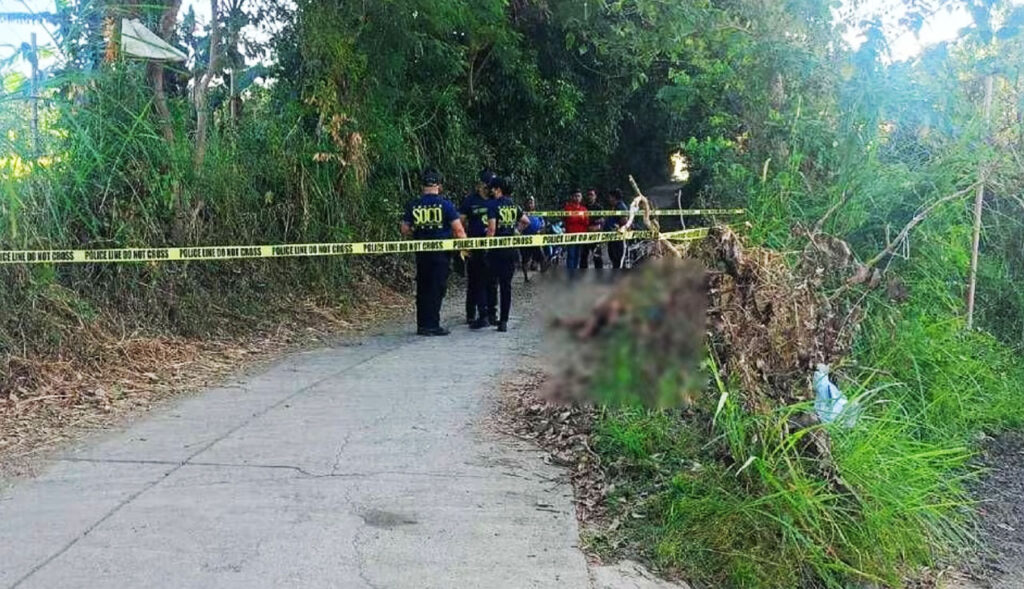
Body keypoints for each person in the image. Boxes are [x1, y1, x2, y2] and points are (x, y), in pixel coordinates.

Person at [400, 168, 466, 336]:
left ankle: (422, 324)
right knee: (437, 288)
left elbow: (404, 229)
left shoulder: (414, 205)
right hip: (440, 254)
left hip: (422, 253)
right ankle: (432, 325)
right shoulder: (446, 205)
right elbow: (459, 230)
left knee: (423, 287)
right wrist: (465, 248)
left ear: (422, 186)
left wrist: (417, 231)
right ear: (439, 186)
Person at [483, 176, 529, 332]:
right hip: (510, 250)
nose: (490, 191)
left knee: (491, 283)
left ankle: (491, 315)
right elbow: (526, 221)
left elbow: (491, 230)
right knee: (506, 286)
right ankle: (504, 321)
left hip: (496, 251)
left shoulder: (492, 205)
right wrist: (516, 232)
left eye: (492, 188)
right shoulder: (513, 205)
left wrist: (485, 247)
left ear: (498, 189)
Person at [460, 169, 497, 325]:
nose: (493, 188)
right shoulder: (470, 201)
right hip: (475, 247)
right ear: (482, 185)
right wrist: (463, 244)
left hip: (492, 248)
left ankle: (491, 314)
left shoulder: (496, 200)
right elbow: (460, 222)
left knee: (492, 282)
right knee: (474, 281)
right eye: (490, 185)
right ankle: (471, 313)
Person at [563, 188, 589, 278]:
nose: (577, 198)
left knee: (577, 255)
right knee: (571, 255)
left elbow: (586, 222)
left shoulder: (584, 209)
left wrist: (579, 218)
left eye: (579, 196)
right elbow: (569, 220)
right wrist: (579, 218)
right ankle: (570, 275)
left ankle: (575, 274)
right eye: (575, 196)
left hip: (581, 235)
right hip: (571, 235)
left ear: (581, 198)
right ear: (572, 197)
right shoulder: (567, 208)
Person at [519, 195, 546, 281]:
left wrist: (540, 230)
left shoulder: (538, 214)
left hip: (536, 239)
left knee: (542, 257)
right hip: (525, 239)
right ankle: (526, 277)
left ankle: (543, 275)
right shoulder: (522, 214)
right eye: (528, 203)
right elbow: (518, 226)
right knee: (525, 259)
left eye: (532, 203)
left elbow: (543, 225)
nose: (530, 204)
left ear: (534, 204)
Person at [603, 189, 629, 269]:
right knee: (614, 258)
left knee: (618, 259)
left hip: (619, 239)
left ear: (614, 197)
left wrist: (619, 228)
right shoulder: (614, 207)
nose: (608, 199)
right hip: (612, 238)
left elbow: (625, 222)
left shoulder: (621, 207)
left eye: (610, 197)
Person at [580, 188, 605, 270]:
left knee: (597, 256)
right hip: (585, 234)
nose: (590, 196)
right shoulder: (583, 207)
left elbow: (602, 220)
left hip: (595, 235)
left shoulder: (599, 207)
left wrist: (597, 226)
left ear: (595, 196)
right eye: (588, 195)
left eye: (592, 195)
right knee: (583, 256)